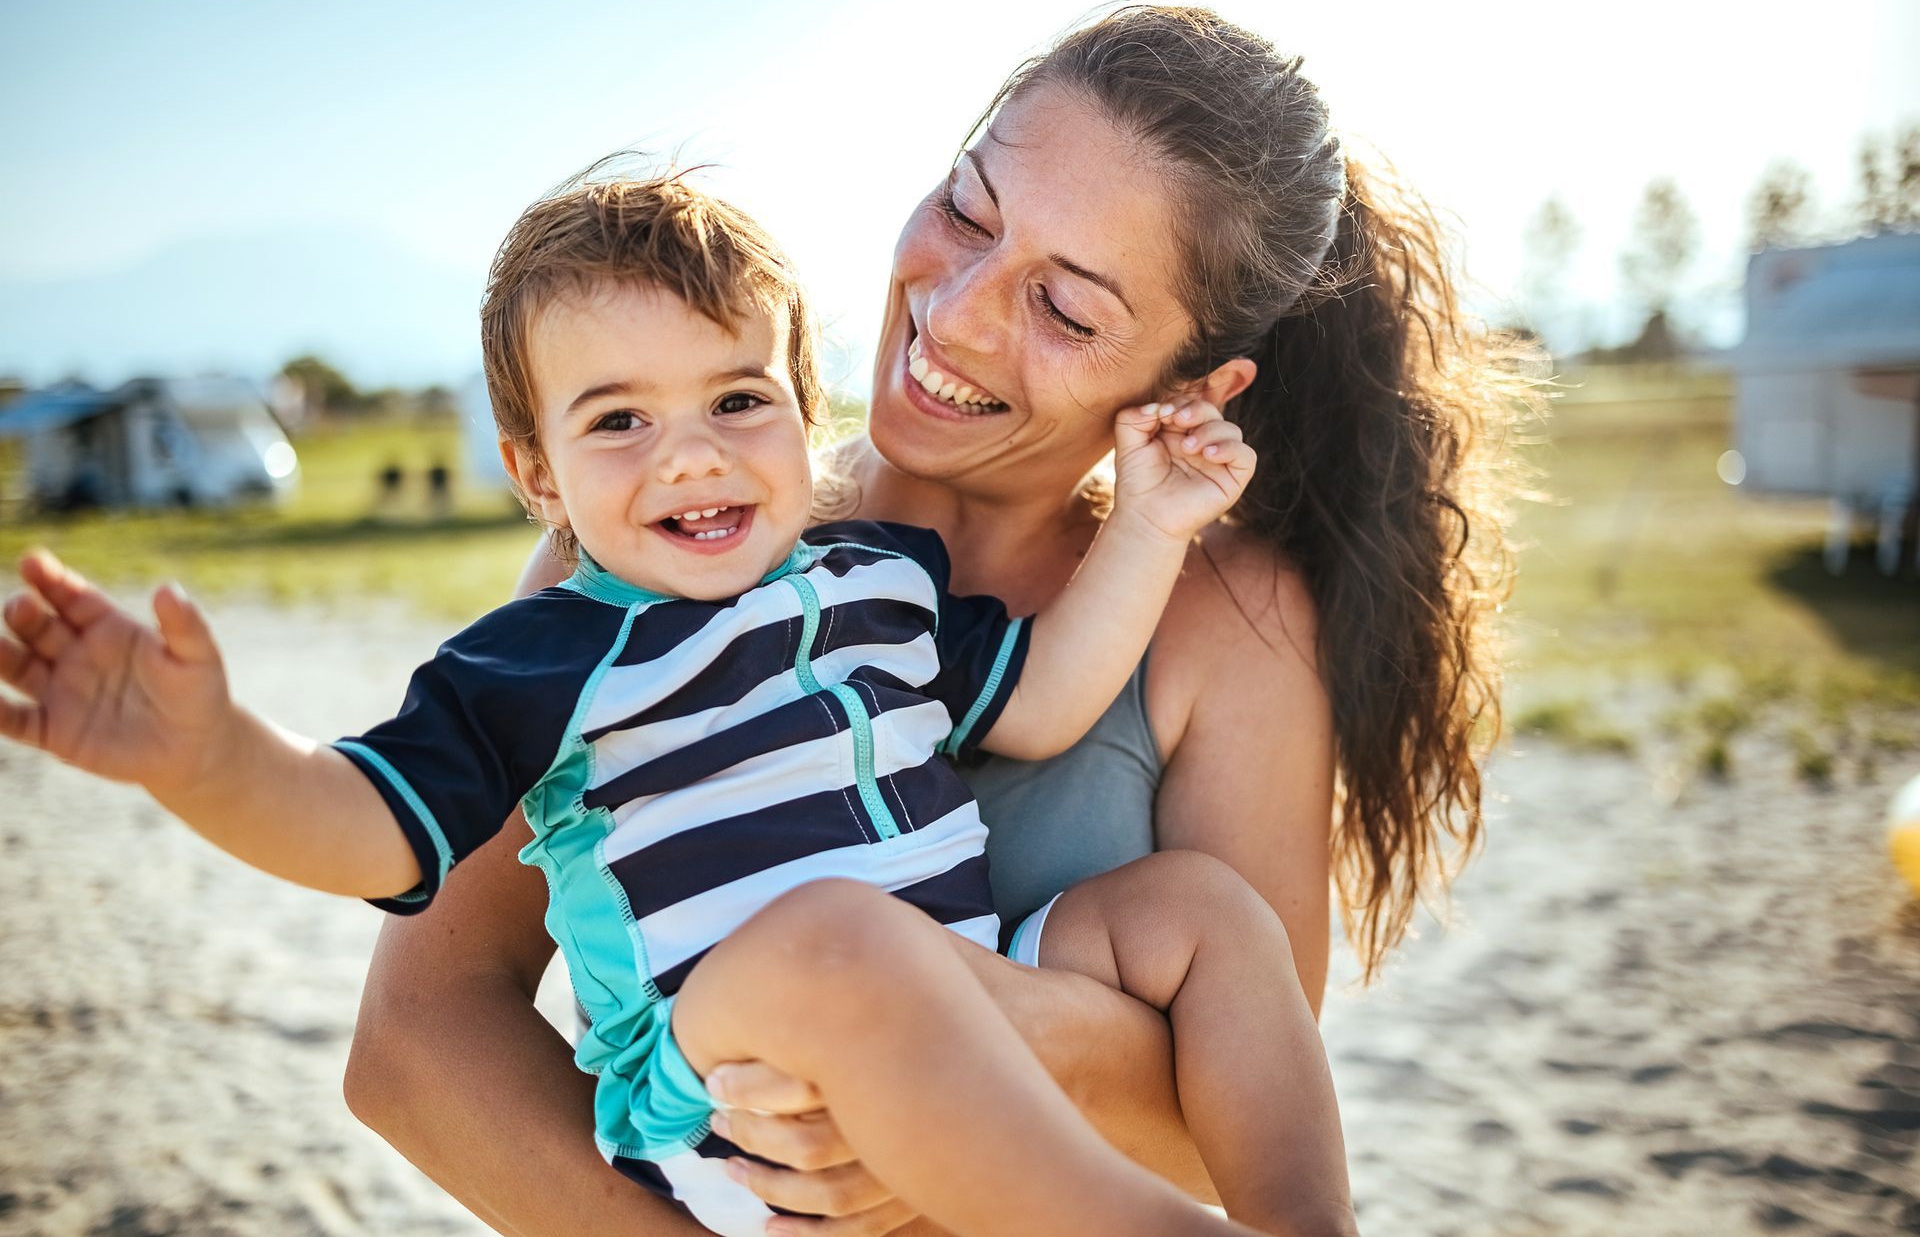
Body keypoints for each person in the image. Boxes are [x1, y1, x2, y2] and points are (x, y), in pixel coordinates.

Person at [343, 3, 1522, 1236]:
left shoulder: (1229, 622)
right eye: (967, 210)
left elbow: (1231, 1135)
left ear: (1194, 387)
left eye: (1064, 309)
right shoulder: (656, 552)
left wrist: (921, 1069)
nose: (954, 312)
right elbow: (417, 1042)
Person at [0, 170, 1355, 1237]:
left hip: (961, 978)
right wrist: (208, 754)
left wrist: (1154, 527)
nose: (691, 454)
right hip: (718, 1090)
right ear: (538, 475)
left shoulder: (876, 578)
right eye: (618, 423)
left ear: (800, 408)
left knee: (1198, 911)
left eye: (734, 399)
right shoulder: (557, 647)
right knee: (836, 935)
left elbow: (1051, 698)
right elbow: (369, 827)